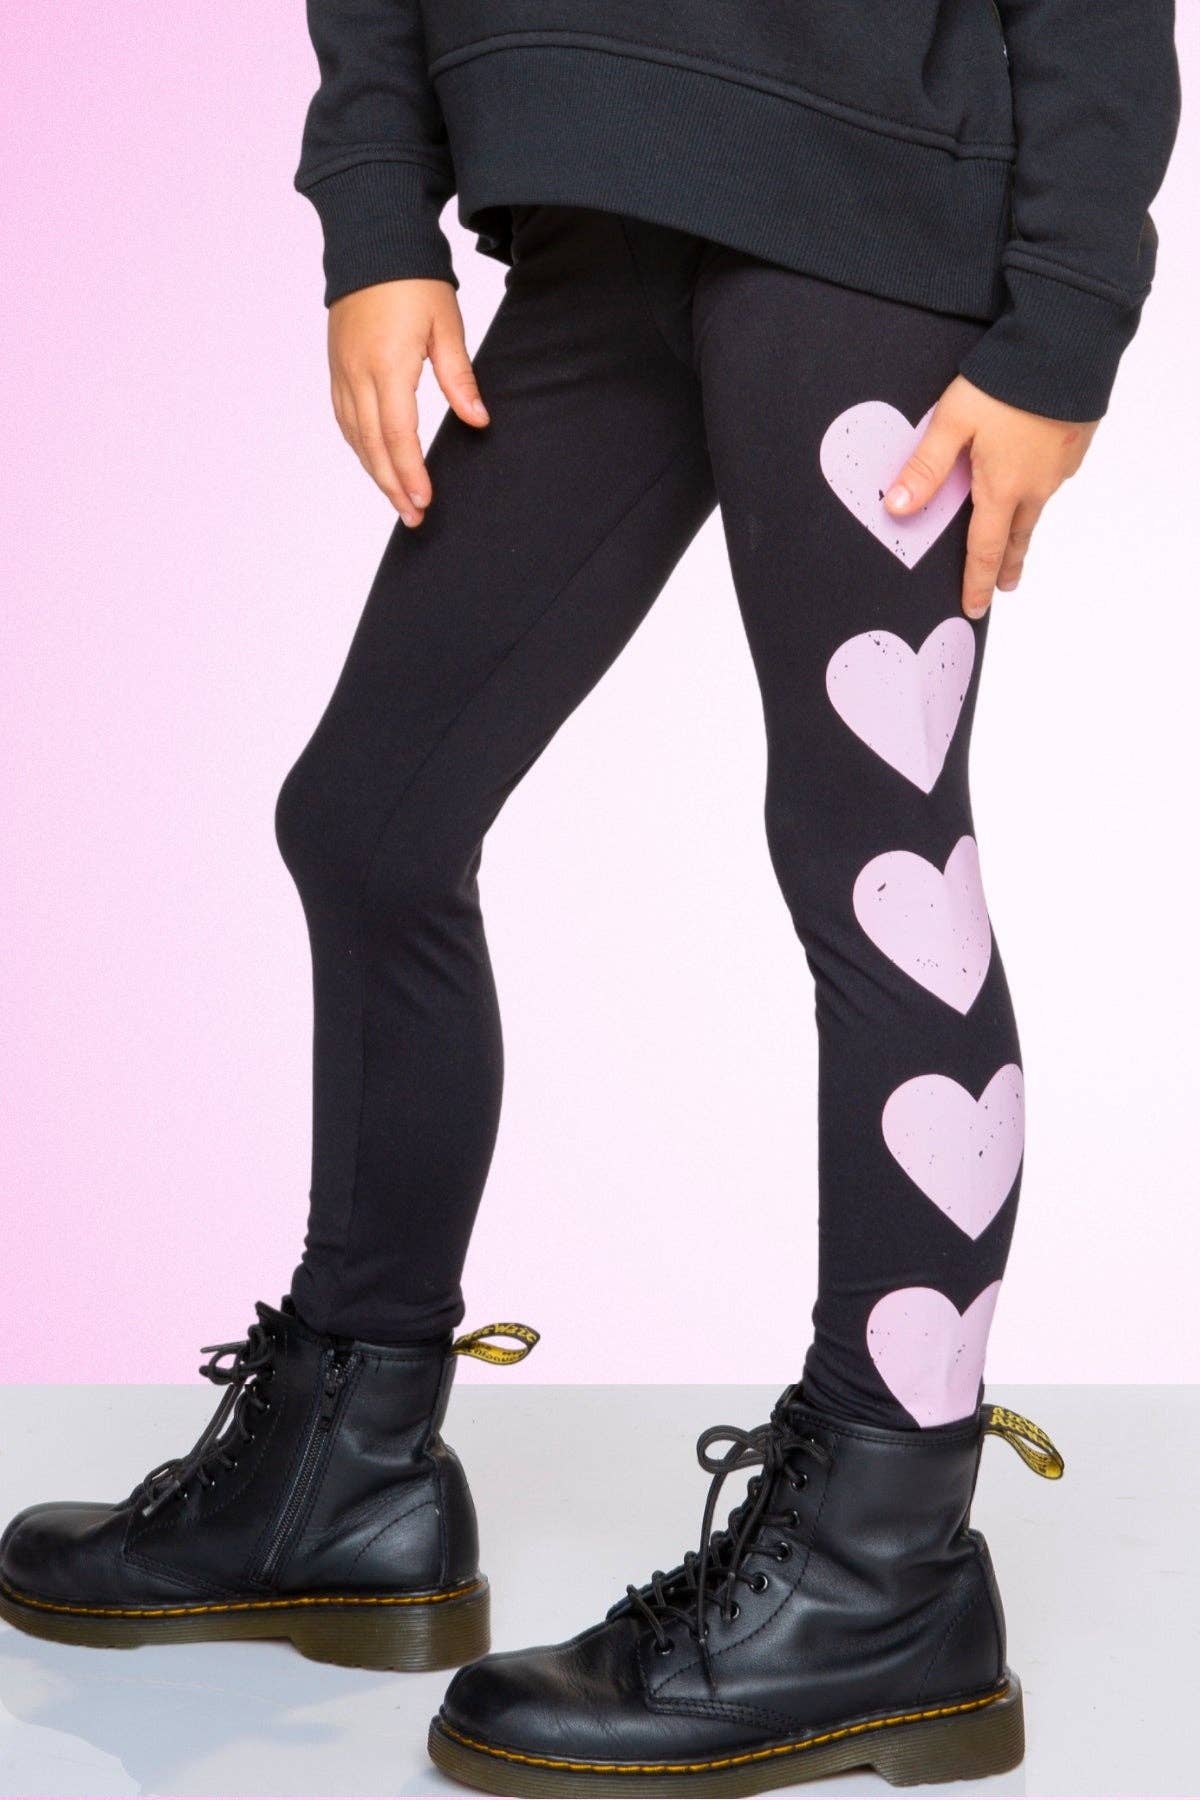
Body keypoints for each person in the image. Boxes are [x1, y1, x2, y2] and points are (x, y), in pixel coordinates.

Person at [0, 2, 1181, 1792]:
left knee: (877, 864)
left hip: (866, 223)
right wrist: (377, 208)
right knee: (370, 823)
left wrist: (1069, 315)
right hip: (585, 211)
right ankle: (346, 1474)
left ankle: (882, 1569)